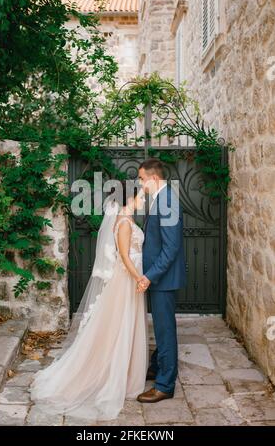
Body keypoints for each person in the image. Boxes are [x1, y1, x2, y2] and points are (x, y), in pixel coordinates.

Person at [29, 182, 149, 421]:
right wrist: (139, 278)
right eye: (142, 197)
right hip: (126, 280)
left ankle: (123, 375)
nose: (144, 201)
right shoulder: (124, 222)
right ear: (130, 198)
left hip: (129, 279)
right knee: (118, 327)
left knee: (122, 326)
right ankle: (109, 376)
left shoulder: (126, 218)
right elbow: (124, 256)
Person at [136, 158, 186, 403]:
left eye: (142, 180)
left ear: (154, 178)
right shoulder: (160, 199)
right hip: (160, 278)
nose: (140, 184)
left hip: (163, 279)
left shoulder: (166, 202)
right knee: (161, 327)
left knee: (165, 331)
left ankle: (165, 385)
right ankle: (157, 366)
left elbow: (171, 248)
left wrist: (149, 276)